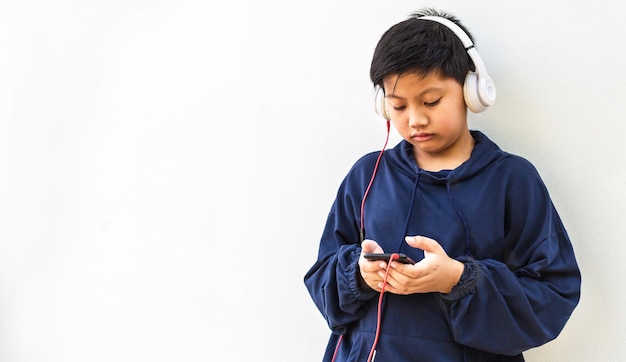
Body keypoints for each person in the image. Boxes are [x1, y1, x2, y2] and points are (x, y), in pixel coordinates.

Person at [304, 7, 581, 361]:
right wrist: (358, 274)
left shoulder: (513, 180)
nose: (416, 119)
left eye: (431, 101)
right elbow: (322, 277)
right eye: (399, 106)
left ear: (471, 89)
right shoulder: (367, 174)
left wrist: (460, 279)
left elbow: (554, 294)